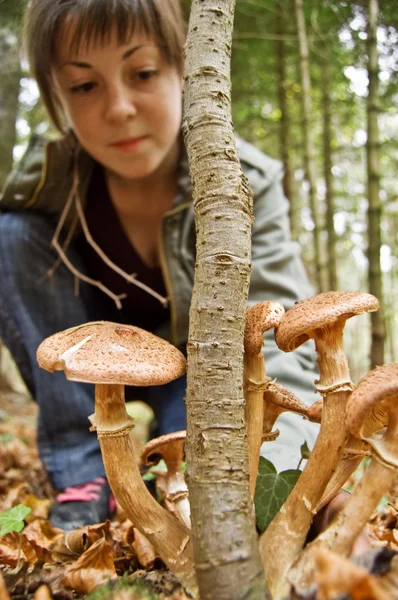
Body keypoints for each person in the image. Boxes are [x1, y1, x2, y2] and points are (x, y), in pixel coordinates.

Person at [0, 0, 319, 531]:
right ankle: (81, 472)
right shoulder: (43, 185)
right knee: (8, 237)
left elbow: (281, 327)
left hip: (196, 379)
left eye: (142, 72)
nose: (119, 107)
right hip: (86, 374)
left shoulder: (246, 181)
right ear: (57, 95)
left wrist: (275, 470)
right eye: (84, 86)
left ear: (186, 66)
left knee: (194, 475)